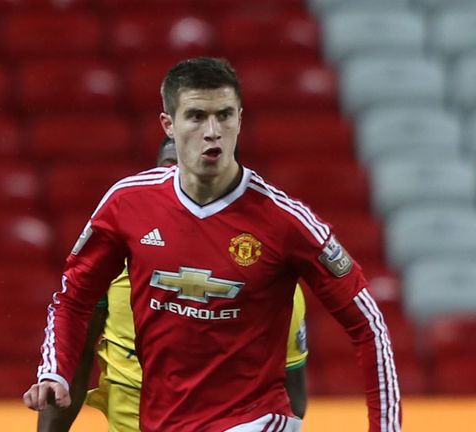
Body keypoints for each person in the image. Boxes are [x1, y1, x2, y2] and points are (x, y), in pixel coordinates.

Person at [24, 57, 401, 432]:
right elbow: (73, 299)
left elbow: (369, 325)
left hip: (255, 421)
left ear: (240, 118)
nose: (212, 131)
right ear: (168, 125)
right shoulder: (127, 204)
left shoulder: (285, 221)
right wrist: (54, 371)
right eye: (196, 116)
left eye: (224, 116)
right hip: (162, 421)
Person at [37, 138, 309, 432]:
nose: (178, 183)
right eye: (168, 170)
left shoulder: (272, 282)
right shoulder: (115, 256)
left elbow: (291, 389)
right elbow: (76, 355)